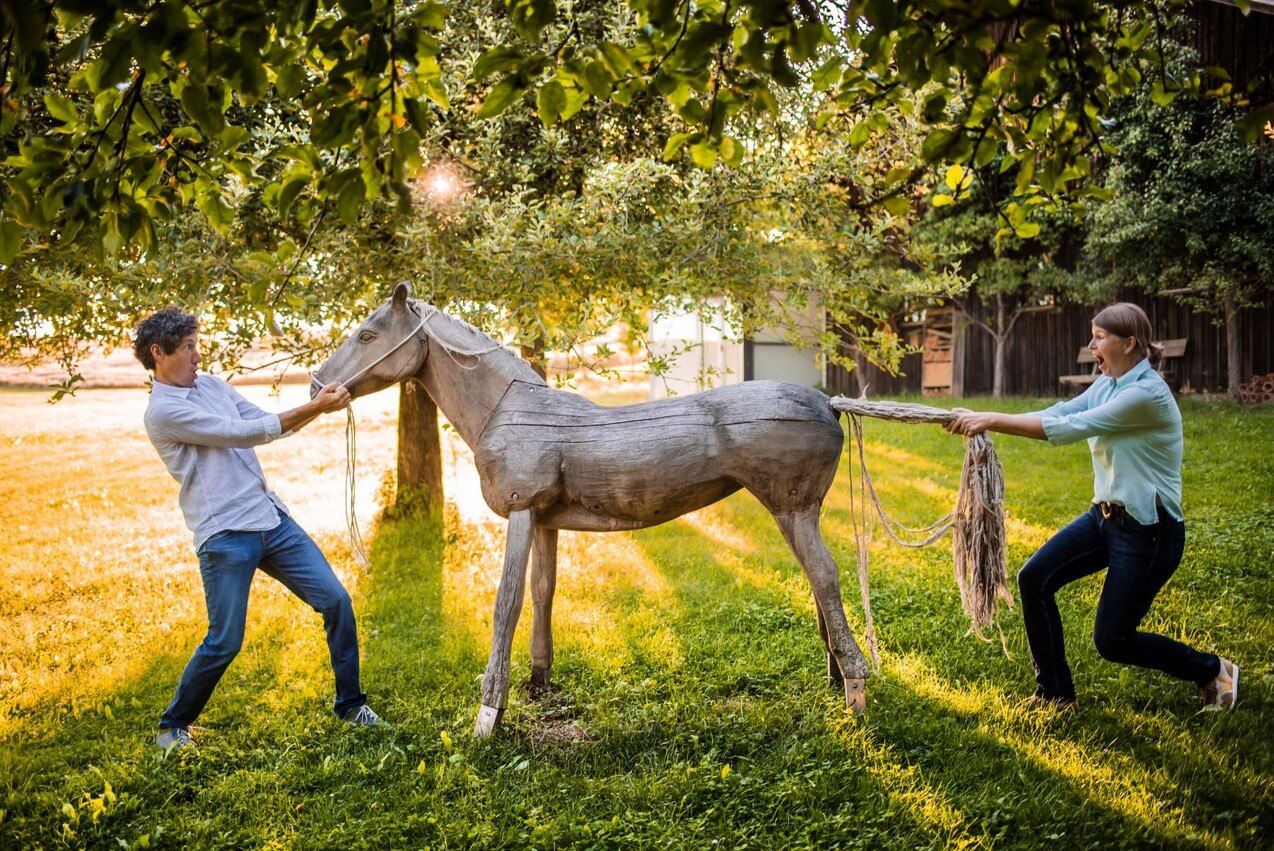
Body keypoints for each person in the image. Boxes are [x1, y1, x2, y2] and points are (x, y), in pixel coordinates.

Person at [945, 302, 1237, 711]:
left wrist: (989, 419)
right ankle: (1055, 695)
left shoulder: (1145, 394)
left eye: (1099, 337)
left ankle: (1212, 669)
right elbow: (1061, 411)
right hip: (1105, 518)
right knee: (1035, 579)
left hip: (1149, 532)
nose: (1091, 344)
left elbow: (1070, 429)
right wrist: (983, 416)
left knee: (1113, 640)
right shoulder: (1110, 384)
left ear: (1129, 342)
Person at [134, 307, 388, 750]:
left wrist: (320, 407)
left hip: (271, 520)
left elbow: (268, 425)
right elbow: (241, 433)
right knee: (225, 641)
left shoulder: (210, 384)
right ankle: (171, 726)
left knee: (336, 601)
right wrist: (317, 406)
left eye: (197, 344)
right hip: (225, 535)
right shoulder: (163, 412)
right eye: (189, 347)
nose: (198, 355)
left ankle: (351, 704)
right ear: (159, 353)